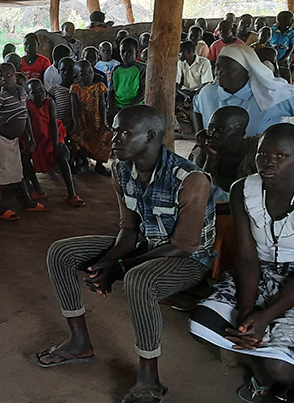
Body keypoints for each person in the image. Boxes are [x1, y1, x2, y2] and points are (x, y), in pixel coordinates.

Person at [35, 106, 215, 403]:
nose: (113, 138)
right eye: (114, 129)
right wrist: (107, 262)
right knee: (61, 252)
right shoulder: (121, 169)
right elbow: (129, 229)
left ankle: (149, 380)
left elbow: (183, 246)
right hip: (145, 244)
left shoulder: (190, 179)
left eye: (123, 132)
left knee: (138, 279)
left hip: (189, 260)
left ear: (151, 136)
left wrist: (119, 267)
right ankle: (79, 342)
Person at [189, 124, 294, 402]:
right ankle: (260, 362)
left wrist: (265, 316)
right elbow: (246, 257)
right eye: (263, 154)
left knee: (283, 369)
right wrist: (248, 311)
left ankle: (281, 373)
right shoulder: (243, 190)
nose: (269, 161)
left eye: (281, 156)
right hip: (256, 273)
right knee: (202, 326)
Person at [194, 44, 294, 137]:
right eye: (218, 67)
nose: (219, 73)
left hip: (263, 162)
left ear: (248, 71)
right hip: (216, 159)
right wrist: (199, 134)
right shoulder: (208, 93)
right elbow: (196, 107)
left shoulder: (271, 93)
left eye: (229, 69)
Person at [0, 63, 43, 221]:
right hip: (2, 139)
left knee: (17, 172)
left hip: (14, 140)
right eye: (0, 76)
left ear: (16, 76)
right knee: (1, 173)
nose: (4, 79)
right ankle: (0, 207)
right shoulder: (1, 96)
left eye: (8, 75)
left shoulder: (22, 92)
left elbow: (25, 116)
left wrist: (30, 137)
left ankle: (28, 202)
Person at [26, 79, 83, 207]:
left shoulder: (49, 102)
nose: (39, 94)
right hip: (35, 138)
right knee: (24, 156)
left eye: (41, 90)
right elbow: (28, 124)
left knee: (61, 154)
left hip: (52, 135)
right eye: (34, 92)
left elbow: (53, 124)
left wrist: (56, 143)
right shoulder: (28, 105)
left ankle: (72, 194)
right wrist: (31, 139)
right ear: (28, 94)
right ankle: (37, 188)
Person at [190, 105, 255, 197]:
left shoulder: (255, 152)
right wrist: (210, 158)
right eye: (210, 127)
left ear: (241, 134)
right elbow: (198, 190)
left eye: (222, 129)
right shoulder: (204, 148)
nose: (213, 134)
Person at [70, 60, 112, 176]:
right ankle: (82, 162)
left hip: (97, 119)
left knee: (105, 136)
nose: (88, 75)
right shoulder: (75, 88)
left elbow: (102, 106)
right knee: (77, 138)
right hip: (82, 120)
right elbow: (74, 108)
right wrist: (77, 125)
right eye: (83, 74)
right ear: (77, 76)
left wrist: (104, 123)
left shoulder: (99, 86)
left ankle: (99, 165)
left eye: (90, 71)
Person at [110, 37, 146, 111]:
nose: (126, 54)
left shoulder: (142, 68)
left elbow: (143, 93)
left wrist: (129, 107)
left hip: (136, 106)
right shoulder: (116, 70)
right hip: (118, 106)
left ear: (136, 52)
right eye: (123, 51)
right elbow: (111, 91)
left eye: (130, 51)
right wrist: (111, 107)